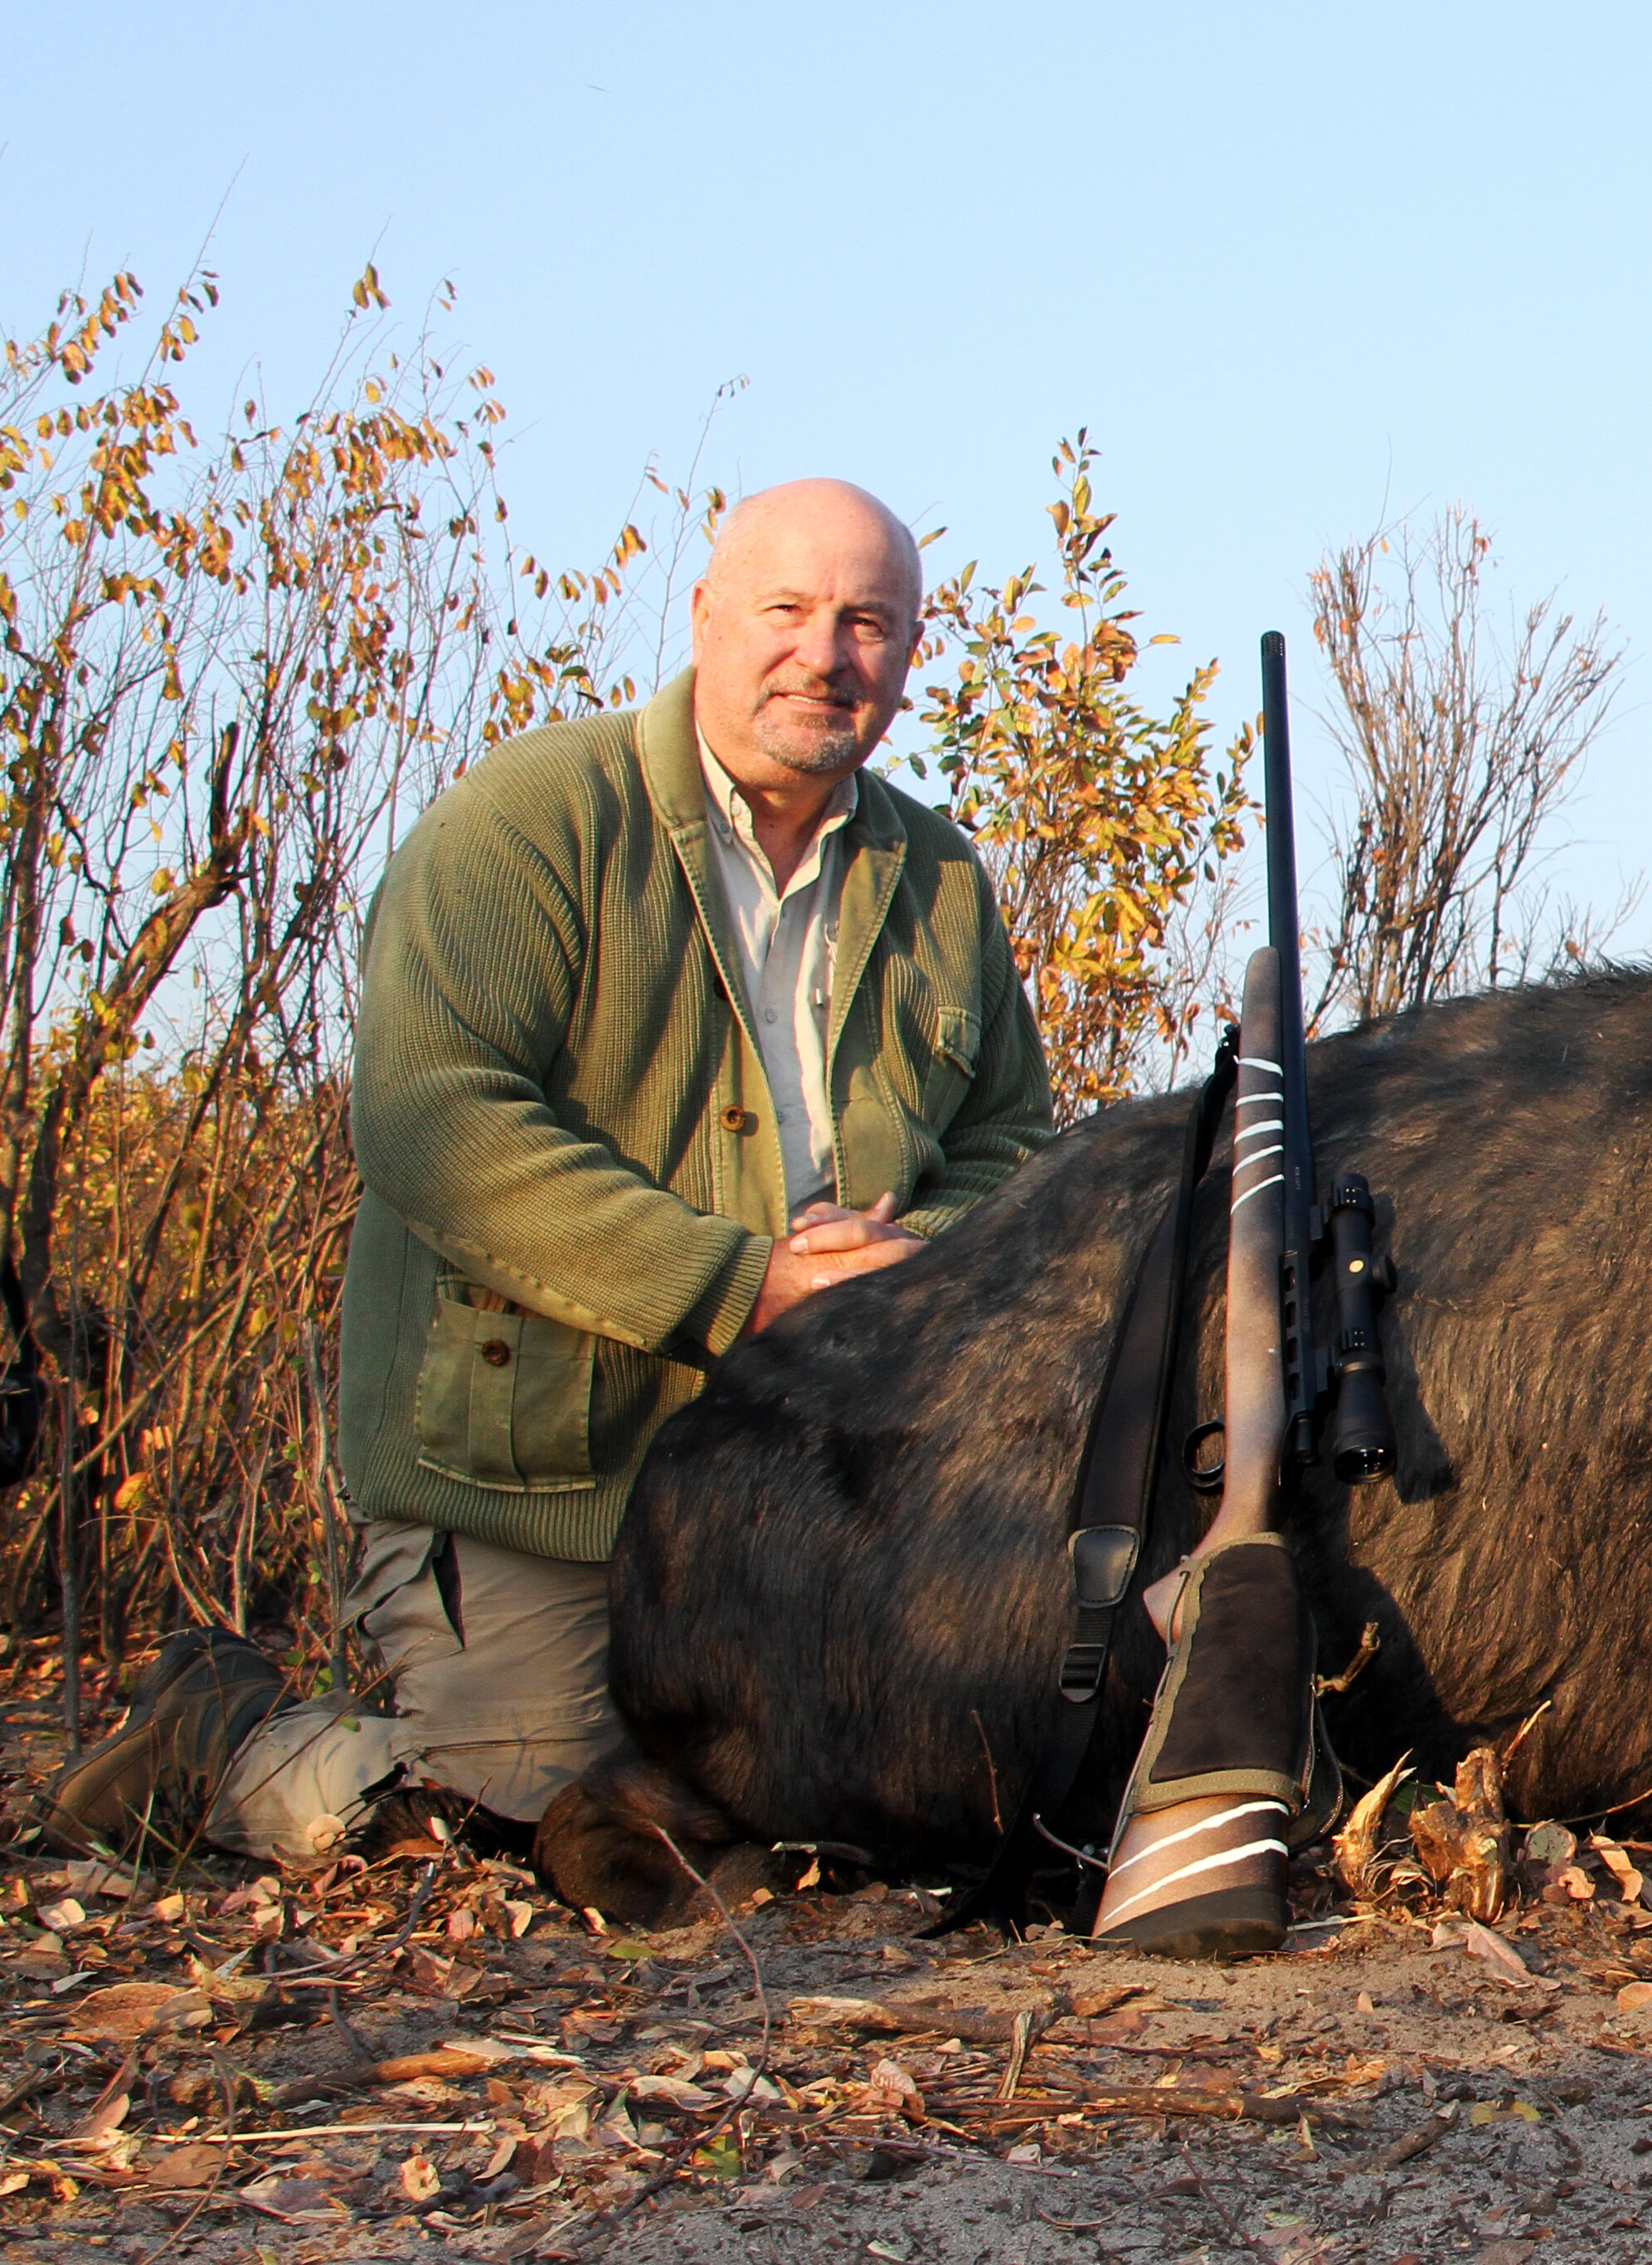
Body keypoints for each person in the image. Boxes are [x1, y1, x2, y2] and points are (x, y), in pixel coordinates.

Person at [50, 479, 1052, 1872]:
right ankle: (223, 1735)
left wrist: (904, 1270)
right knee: (526, 1819)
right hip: (542, 1473)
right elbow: (429, 1118)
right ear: (704, 617)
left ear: (907, 654)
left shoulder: (939, 877)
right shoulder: (524, 821)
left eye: (866, 623)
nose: (826, 655)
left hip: (825, 1472)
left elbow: (1013, 1143)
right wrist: (742, 1283)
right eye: (786, 611)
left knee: (892, 1787)